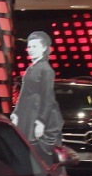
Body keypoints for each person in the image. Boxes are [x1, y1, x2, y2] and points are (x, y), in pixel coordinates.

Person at [10, 31, 64, 164]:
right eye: (29, 47)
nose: (31, 50)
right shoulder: (31, 69)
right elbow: (23, 93)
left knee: (38, 154)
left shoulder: (46, 70)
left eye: (35, 46)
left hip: (36, 116)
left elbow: (47, 97)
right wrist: (16, 113)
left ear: (44, 48)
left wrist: (41, 121)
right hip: (27, 115)